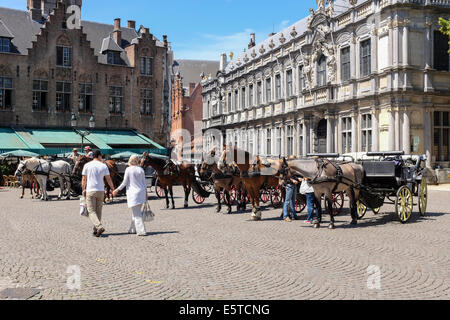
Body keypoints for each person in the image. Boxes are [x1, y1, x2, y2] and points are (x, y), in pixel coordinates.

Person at [82, 150, 115, 237]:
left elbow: (84, 179)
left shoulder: (87, 165)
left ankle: (99, 227)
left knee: (91, 211)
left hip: (90, 190)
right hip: (101, 190)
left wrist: (83, 189)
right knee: (98, 210)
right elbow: (108, 179)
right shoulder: (103, 166)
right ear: (99, 156)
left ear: (93, 156)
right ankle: (95, 230)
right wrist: (112, 188)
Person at [112, 155, 148, 236]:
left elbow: (124, 182)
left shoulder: (128, 169)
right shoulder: (141, 169)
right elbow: (144, 183)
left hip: (133, 193)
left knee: (137, 213)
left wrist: (117, 190)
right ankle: (132, 229)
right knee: (136, 211)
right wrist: (146, 194)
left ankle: (141, 231)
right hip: (141, 192)